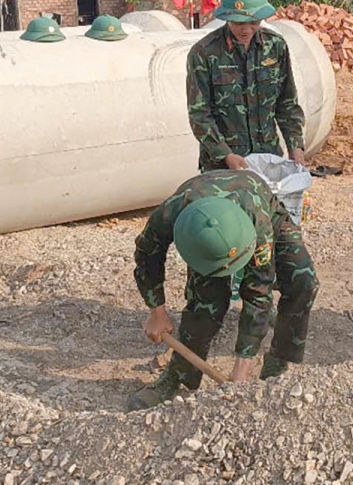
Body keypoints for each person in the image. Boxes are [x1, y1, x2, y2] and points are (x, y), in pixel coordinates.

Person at [128, 170, 318, 409]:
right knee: (206, 305)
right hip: (208, 235)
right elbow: (147, 257)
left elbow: (258, 294)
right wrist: (157, 311)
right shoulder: (170, 213)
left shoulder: (258, 226)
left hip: (259, 210)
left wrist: (241, 369)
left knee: (303, 282)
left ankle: (279, 360)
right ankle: (178, 376)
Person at [186, 0, 305, 173]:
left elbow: (287, 103)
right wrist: (225, 154)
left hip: (268, 158)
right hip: (223, 164)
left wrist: (295, 146)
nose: (246, 30)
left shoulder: (275, 47)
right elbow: (199, 114)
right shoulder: (205, 53)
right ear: (227, 19)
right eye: (239, 23)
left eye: (254, 23)